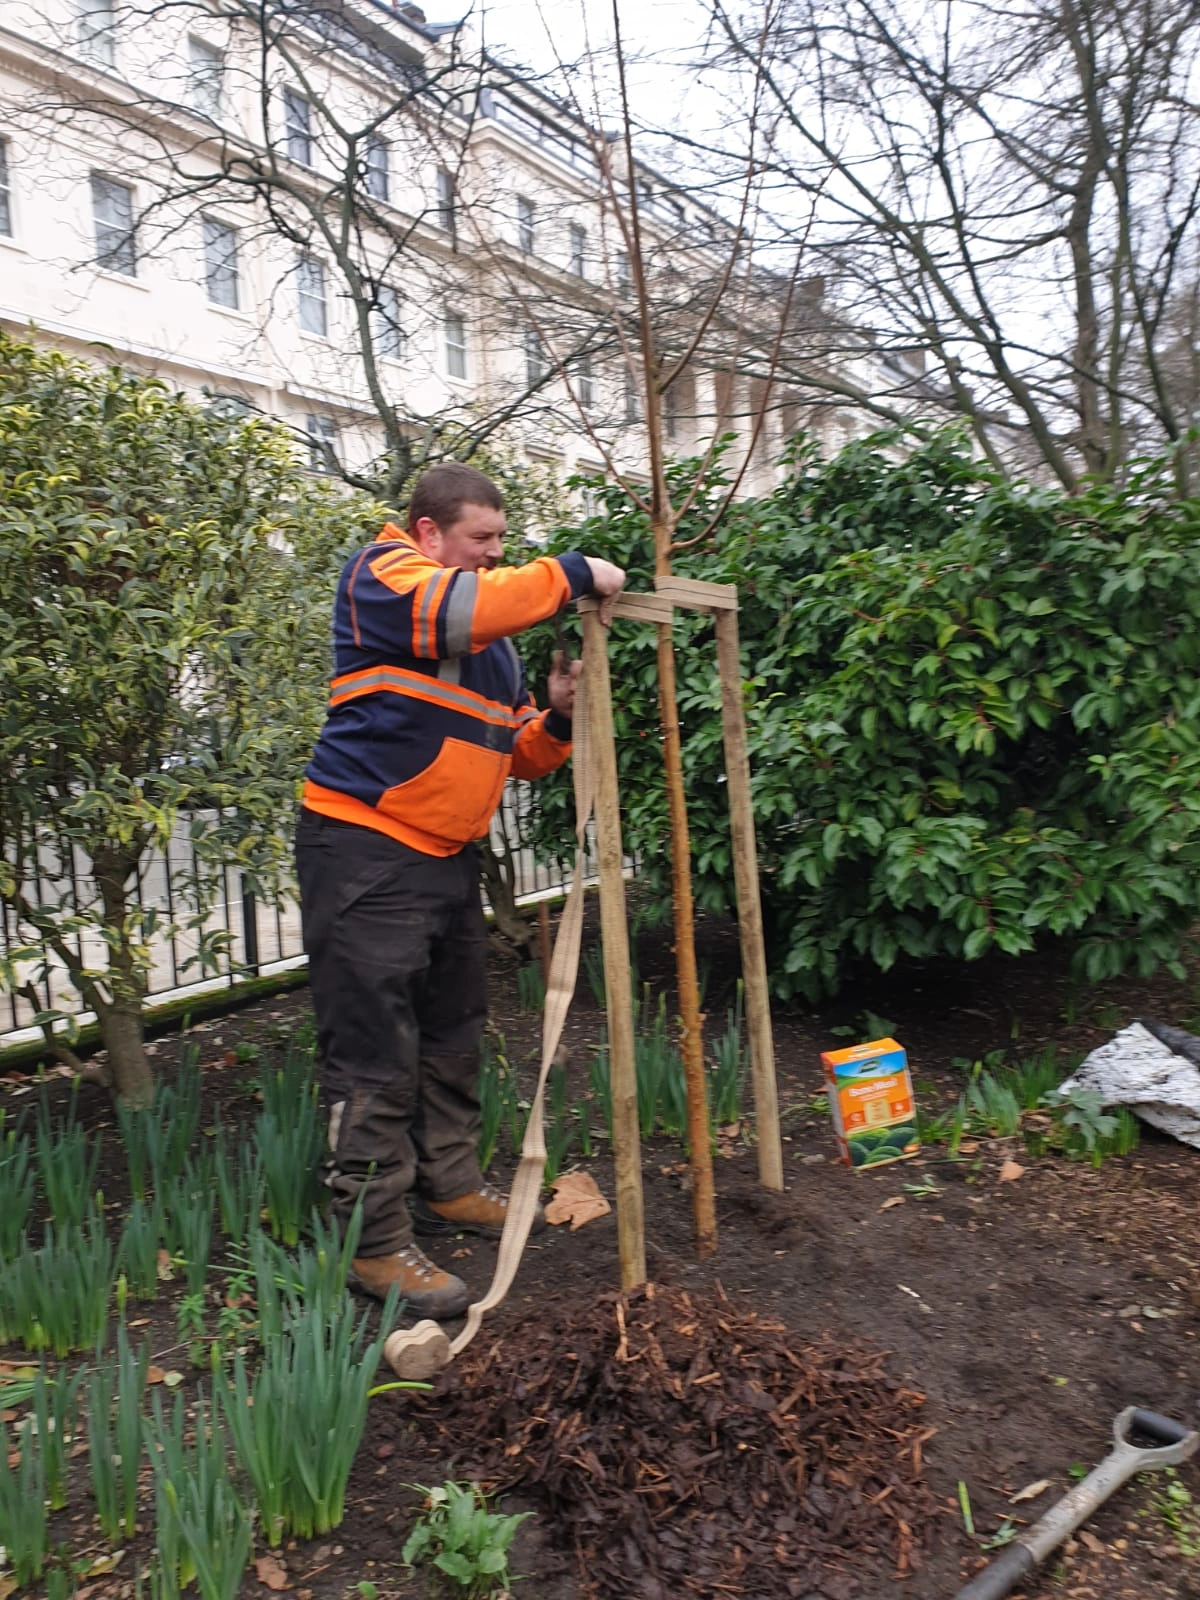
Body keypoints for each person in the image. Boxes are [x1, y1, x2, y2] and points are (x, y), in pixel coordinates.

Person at [295, 462, 626, 1319]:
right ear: (430, 532)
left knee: (451, 1035)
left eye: (501, 543)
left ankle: (448, 1187)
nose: (492, 555)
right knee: (372, 1053)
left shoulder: (489, 642)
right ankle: (373, 1247)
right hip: (364, 850)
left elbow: (518, 753)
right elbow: (463, 606)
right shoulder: (386, 575)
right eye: (481, 540)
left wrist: (552, 714)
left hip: (444, 859)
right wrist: (576, 573)